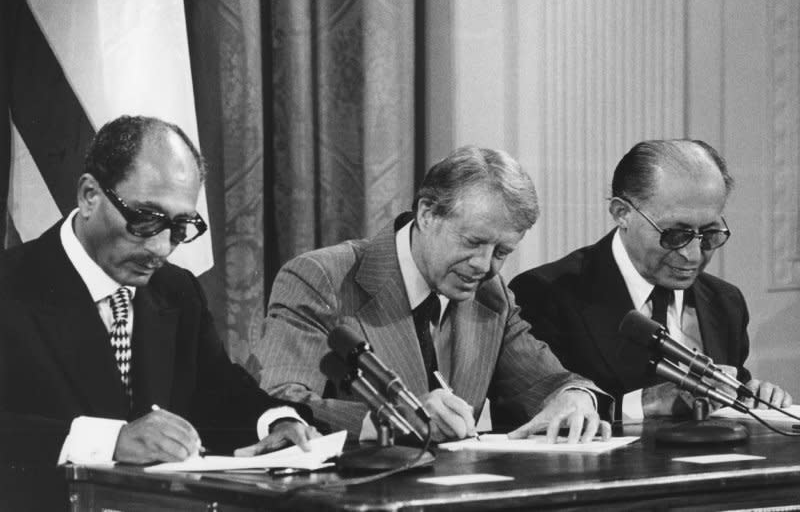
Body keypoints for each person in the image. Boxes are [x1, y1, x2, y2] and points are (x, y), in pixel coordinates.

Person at [0, 115, 319, 467]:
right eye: (146, 220)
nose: (162, 249)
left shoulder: (177, 289)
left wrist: (277, 422)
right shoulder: (11, 285)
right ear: (90, 195)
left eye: (181, 227)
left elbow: (219, 392)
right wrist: (111, 442)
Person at [258, 146, 611, 444]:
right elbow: (280, 403)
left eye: (502, 252)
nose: (485, 266)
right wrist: (395, 418)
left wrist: (575, 397)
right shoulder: (322, 278)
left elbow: (547, 381)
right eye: (472, 243)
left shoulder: (492, 296)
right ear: (427, 213)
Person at [509, 139, 792, 419]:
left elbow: (726, 398)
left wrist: (750, 396)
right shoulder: (547, 294)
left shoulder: (726, 302)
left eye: (709, 234)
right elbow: (525, 416)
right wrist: (641, 405)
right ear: (622, 213)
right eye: (675, 235)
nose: (693, 256)